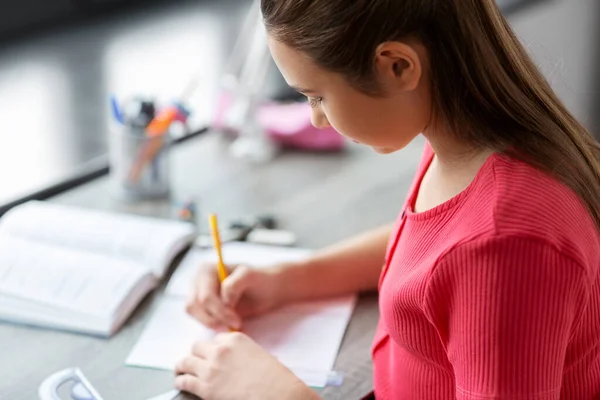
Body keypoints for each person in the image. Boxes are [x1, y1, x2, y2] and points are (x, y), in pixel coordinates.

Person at [173, 0, 600, 399]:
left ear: (397, 66)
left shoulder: (505, 242)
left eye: (317, 96)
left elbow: (469, 256)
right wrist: (288, 279)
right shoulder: (465, 144)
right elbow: (431, 257)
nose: (315, 119)